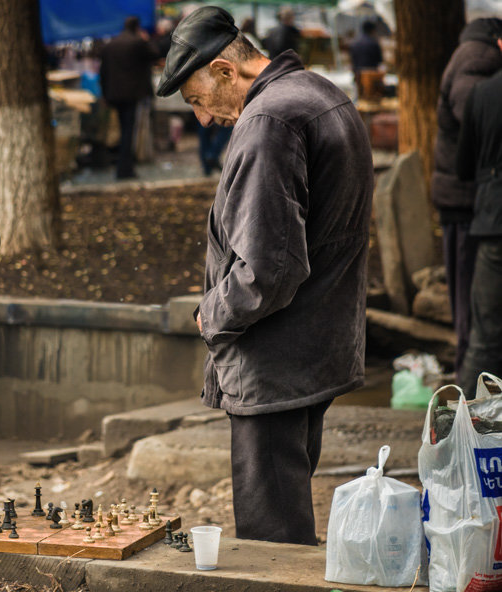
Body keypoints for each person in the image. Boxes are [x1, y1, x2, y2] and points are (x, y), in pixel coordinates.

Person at [156, 6, 373, 545]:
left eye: (198, 101)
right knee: (286, 510)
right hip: (318, 342)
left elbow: (268, 269)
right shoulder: (319, 92)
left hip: (276, 357)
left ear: (227, 72)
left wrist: (212, 314)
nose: (204, 120)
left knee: (269, 537)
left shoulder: (267, 122)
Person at [431, 18, 502, 386]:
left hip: (480, 207)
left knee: (480, 321)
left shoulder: (475, 64)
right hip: (471, 205)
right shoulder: (479, 62)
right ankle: (469, 405)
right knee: (476, 317)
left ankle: (470, 407)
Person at [456, 38, 502, 397]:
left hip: (494, 223)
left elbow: (464, 167)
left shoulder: (483, 93)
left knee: (486, 336)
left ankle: (469, 434)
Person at [99, 15, 158, 180]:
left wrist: (105, 94)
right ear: (137, 27)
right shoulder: (137, 42)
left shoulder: (111, 45)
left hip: (114, 94)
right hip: (132, 94)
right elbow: (155, 53)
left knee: (124, 130)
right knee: (128, 131)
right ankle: (125, 169)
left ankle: (123, 167)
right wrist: (145, 39)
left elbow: (103, 73)